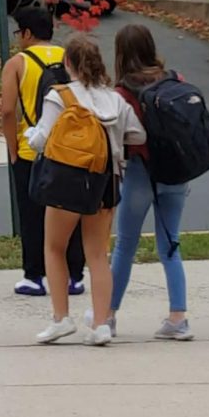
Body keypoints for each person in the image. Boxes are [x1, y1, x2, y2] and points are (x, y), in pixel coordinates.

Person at [28, 35, 146, 346]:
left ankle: (60, 318)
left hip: (67, 180)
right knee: (97, 254)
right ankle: (101, 323)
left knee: (54, 248)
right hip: (105, 181)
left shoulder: (60, 96)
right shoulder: (115, 99)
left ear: (68, 63)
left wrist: (30, 135)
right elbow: (138, 134)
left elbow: (41, 139)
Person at [109, 23, 193, 340]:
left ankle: (109, 315)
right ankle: (178, 317)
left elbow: (122, 139)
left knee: (126, 245)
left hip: (141, 171)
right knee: (170, 244)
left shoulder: (123, 93)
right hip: (176, 170)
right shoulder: (176, 80)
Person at [1, 6, 85, 296]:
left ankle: (34, 275)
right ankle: (74, 275)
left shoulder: (16, 63)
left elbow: (8, 111)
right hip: (68, 149)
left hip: (30, 150)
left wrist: (12, 149)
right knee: (69, 212)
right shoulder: (68, 57)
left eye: (18, 32)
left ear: (26, 33)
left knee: (32, 215)